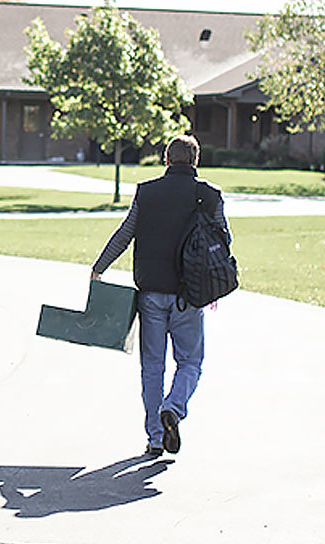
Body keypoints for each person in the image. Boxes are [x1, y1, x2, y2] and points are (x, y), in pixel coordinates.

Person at [90, 135, 232, 457]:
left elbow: (126, 233)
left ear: (166, 160)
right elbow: (224, 241)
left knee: (152, 367)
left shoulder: (147, 192)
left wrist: (99, 266)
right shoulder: (209, 196)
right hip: (189, 295)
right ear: (195, 161)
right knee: (190, 362)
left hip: (150, 294)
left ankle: (155, 437)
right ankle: (174, 407)